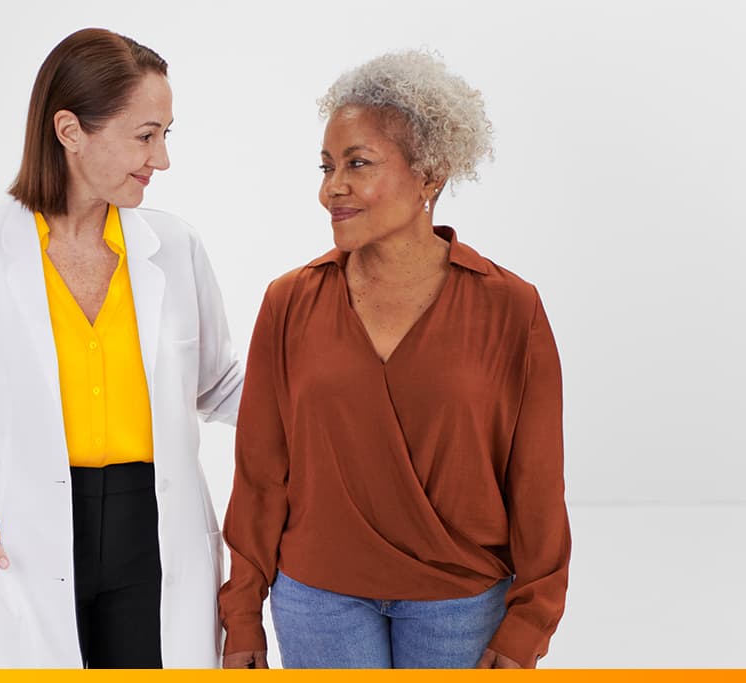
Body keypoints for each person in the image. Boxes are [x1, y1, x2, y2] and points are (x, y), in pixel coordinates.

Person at [219, 50, 570, 669]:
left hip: (460, 604)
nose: (334, 188)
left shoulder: (511, 307)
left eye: (359, 164)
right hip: (317, 598)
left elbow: (536, 484)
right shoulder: (289, 302)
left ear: (430, 176)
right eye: (328, 167)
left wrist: (529, 624)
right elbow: (258, 473)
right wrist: (242, 613)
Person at [0, 28, 243, 669]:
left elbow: (219, 384)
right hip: (27, 528)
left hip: (150, 528)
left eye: (166, 134)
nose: (163, 158)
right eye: (146, 135)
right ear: (70, 131)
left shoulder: (173, 248)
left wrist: (324, 406)